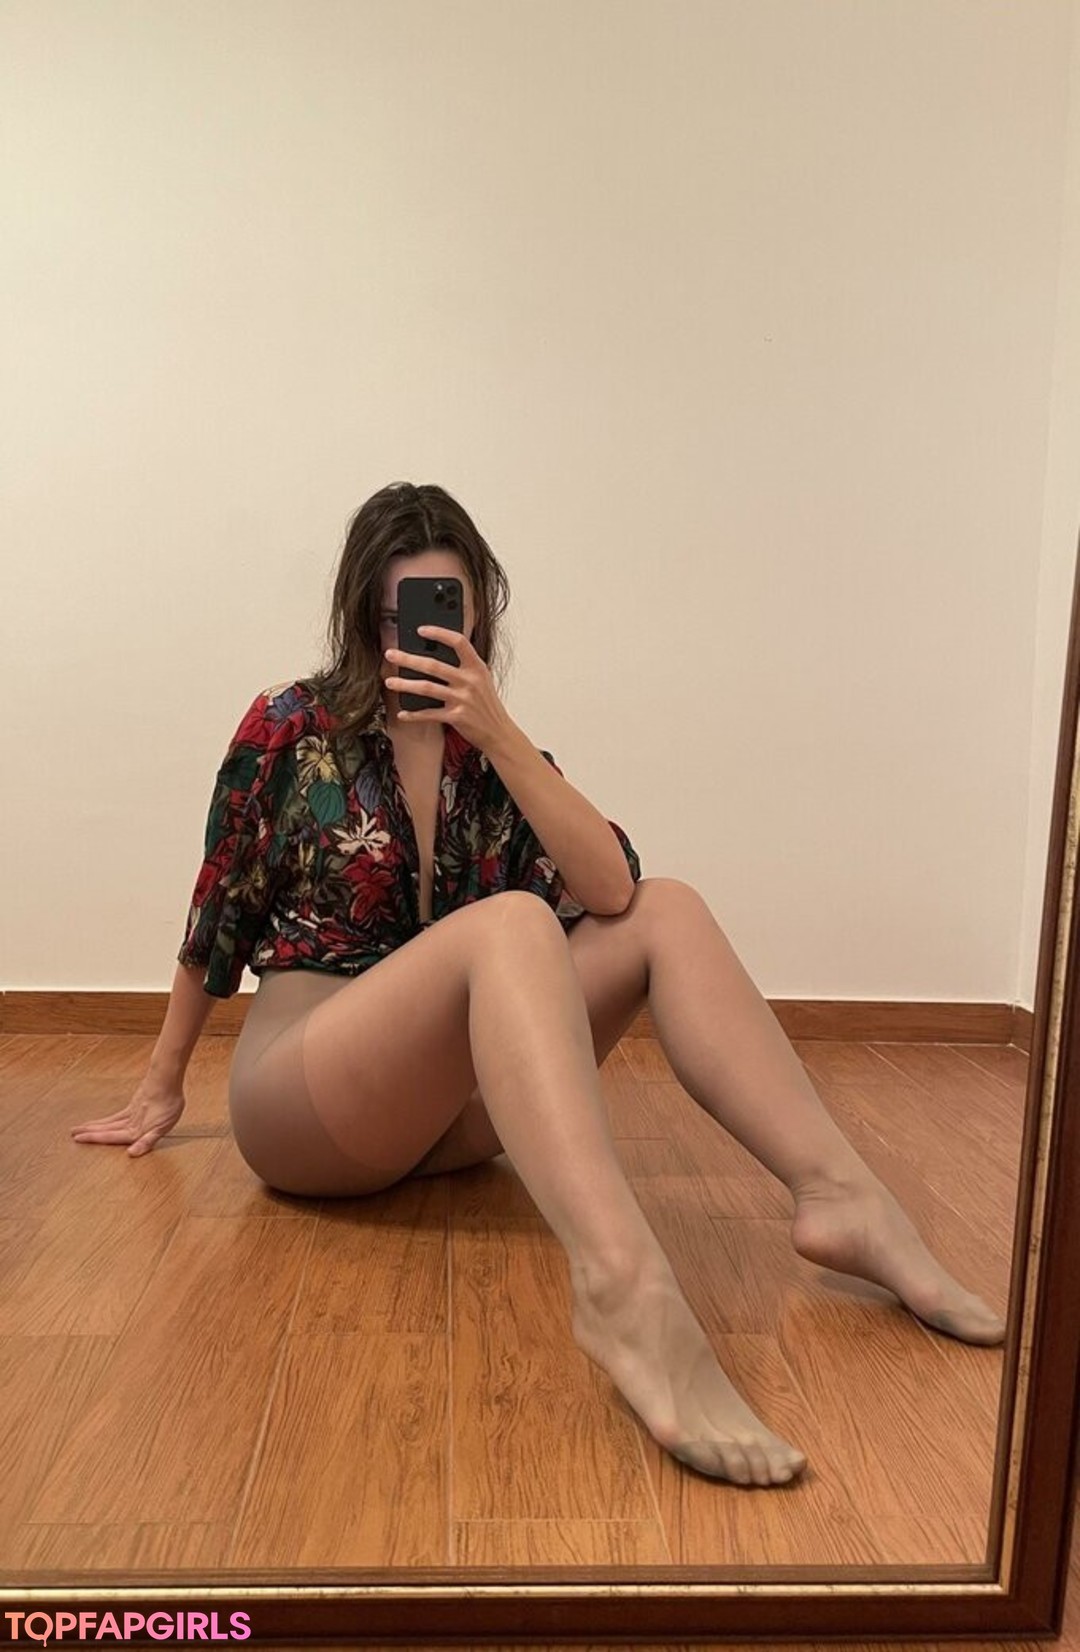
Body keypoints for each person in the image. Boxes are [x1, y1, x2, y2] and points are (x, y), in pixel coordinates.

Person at [71, 481, 1006, 1488]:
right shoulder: (290, 728)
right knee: (513, 923)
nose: (416, 638)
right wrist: (163, 1083)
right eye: (393, 616)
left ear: (479, 613)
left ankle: (842, 1197)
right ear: (359, 614)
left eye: (444, 613)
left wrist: (501, 736)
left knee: (667, 908)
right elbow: (218, 909)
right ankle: (624, 1286)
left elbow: (614, 889)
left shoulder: (493, 757)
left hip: (449, 1123)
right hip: (308, 1103)